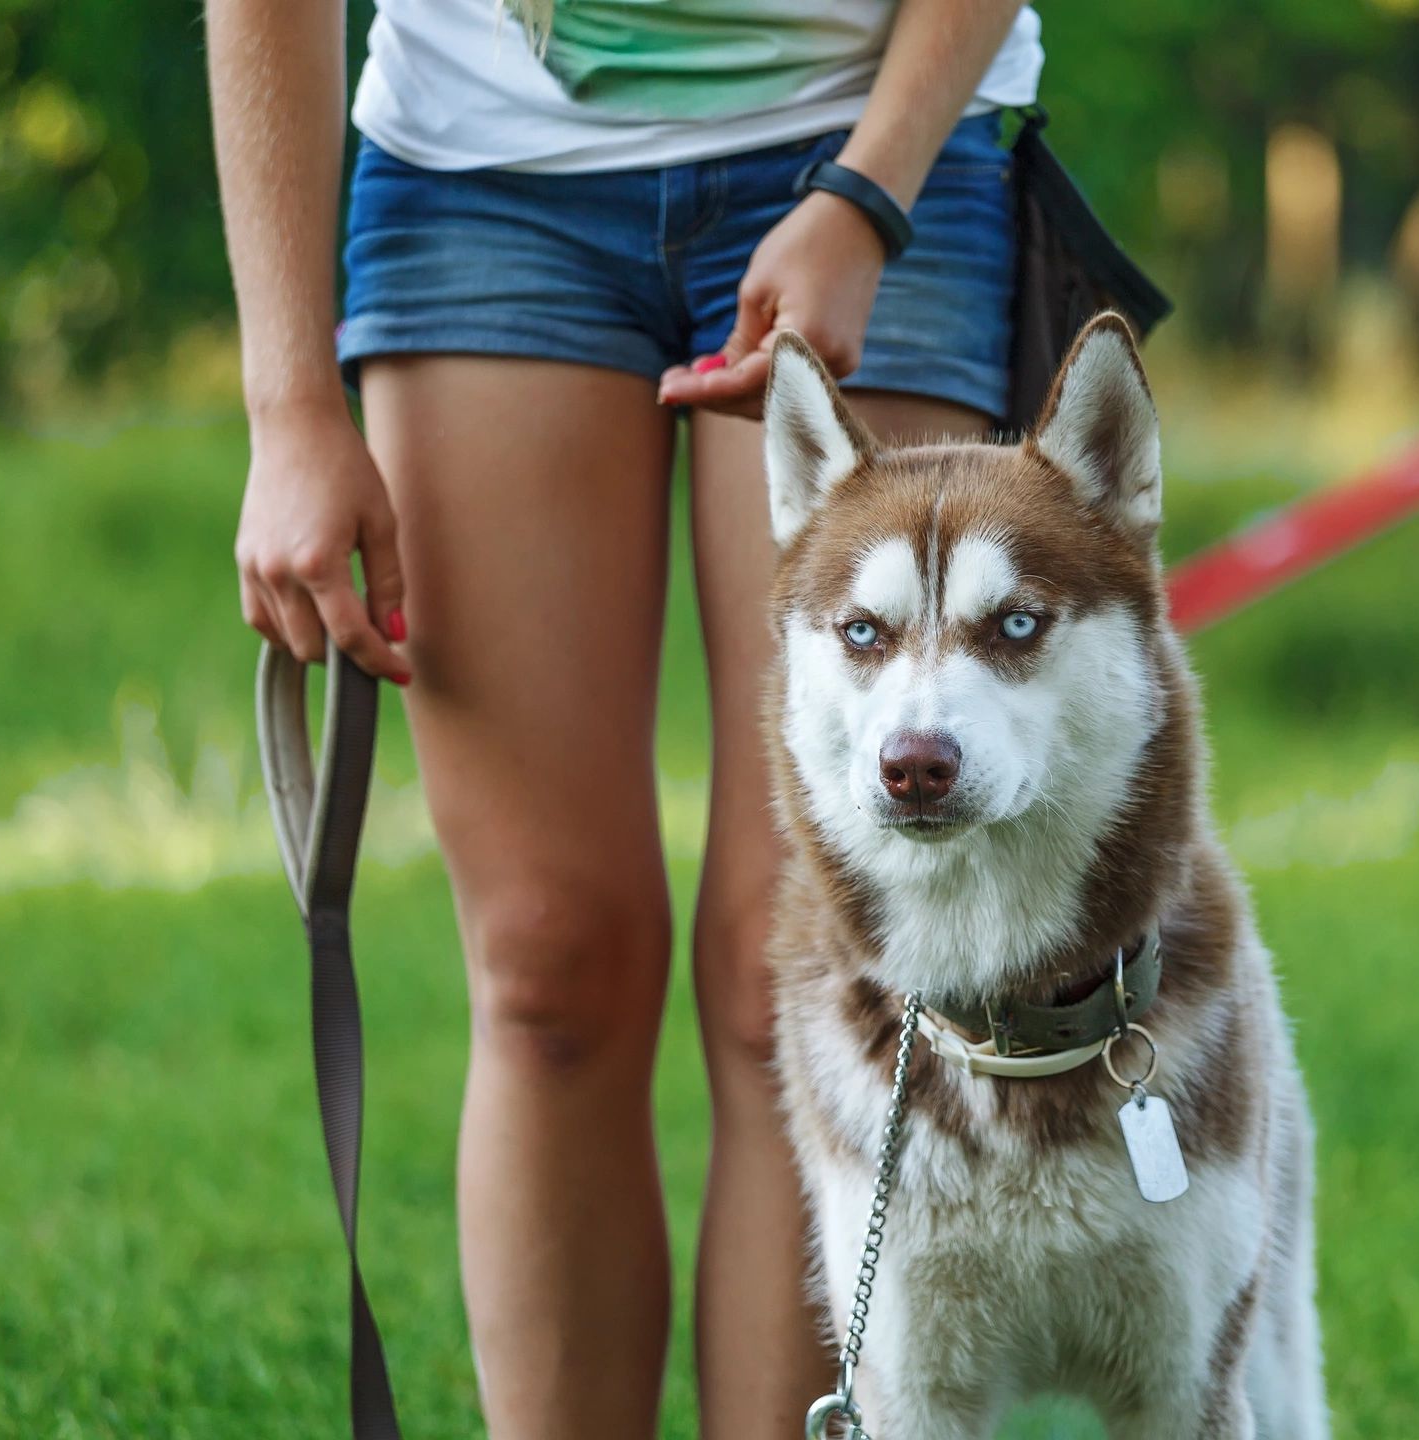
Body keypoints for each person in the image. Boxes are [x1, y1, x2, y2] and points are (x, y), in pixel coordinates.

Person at [205, 2, 1041, 1435]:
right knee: (544, 962)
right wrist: (288, 406)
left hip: (877, 158)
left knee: (804, 972)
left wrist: (865, 190)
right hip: (479, 186)